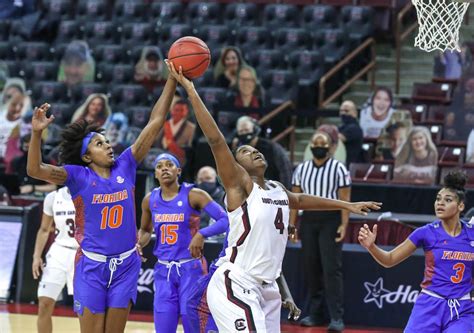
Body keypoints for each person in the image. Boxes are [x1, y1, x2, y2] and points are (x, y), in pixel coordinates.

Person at [166, 60, 382, 332]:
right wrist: (191, 90)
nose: (254, 152)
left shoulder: (277, 188)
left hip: (268, 287)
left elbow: (301, 201)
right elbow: (217, 140)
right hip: (238, 281)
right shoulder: (240, 187)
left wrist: (348, 204)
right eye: (244, 152)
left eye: (254, 150)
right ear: (236, 166)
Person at [26, 74, 177, 332]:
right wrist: (37, 134)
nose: (107, 146)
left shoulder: (126, 164)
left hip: (127, 264)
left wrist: (172, 80)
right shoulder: (78, 176)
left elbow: (155, 121)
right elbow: (35, 171)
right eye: (99, 144)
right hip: (91, 265)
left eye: (106, 141)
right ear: (86, 156)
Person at [358, 170, 473, 332]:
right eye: (438, 199)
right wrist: (371, 246)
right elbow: (389, 259)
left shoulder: (471, 233)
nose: (440, 203)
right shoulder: (425, 233)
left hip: (462, 309)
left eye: (447, 200)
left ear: (461, 206)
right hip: (430, 305)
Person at [137, 153, 229, 333]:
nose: (164, 168)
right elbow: (146, 230)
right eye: (159, 166)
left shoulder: (194, 194)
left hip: (191, 270)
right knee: (163, 328)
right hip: (163, 271)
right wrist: (139, 243)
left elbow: (224, 220)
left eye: (169, 164)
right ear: (155, 173)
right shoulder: (150, 200)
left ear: (178, 170)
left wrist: (202, 234)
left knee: (193, 327)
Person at [291, 130, 352, 331]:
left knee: (331, 269)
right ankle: (316, 314)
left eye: (322, 142)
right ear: (310, 146)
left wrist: (344, 224)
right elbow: (295, 201)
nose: (319, 145)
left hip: (330, 220)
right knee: (312, 268)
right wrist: (292, 225)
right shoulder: (301, 169)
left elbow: (345, 200)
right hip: (308, 220)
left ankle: (336, 317)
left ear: (330, 147)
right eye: (315, 142)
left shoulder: (339, 168)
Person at [32, 186, 78, 333]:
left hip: (83, 254)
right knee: (44, 303)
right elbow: (44, 230)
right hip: (59, 252)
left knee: (85, 309)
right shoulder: (53, 197)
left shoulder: (90, 193)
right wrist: (36, 256)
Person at [231, 115, 293, 188]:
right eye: (241, 131)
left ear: (255, 129)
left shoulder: (271, 147)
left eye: (247, 130)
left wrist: (284, 191)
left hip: (273, 190)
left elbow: (285, 170)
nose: (244, 133)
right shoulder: (238, 151)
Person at [156, 99, 195, 165]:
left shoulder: (191, 128)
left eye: (181, 110)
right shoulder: (164, 124)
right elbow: (156, 141)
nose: (177, 113)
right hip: (159, 157)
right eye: (175, 110)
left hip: (178, 161)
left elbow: (190, 149)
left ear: (186, 112)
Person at [338, 100, 363, 166]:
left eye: (346, 111)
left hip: (349, 166)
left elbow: (338, 139)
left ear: (355, 113)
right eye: (341, 111)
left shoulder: (355, 128)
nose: (343, 113)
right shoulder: (341, 127)